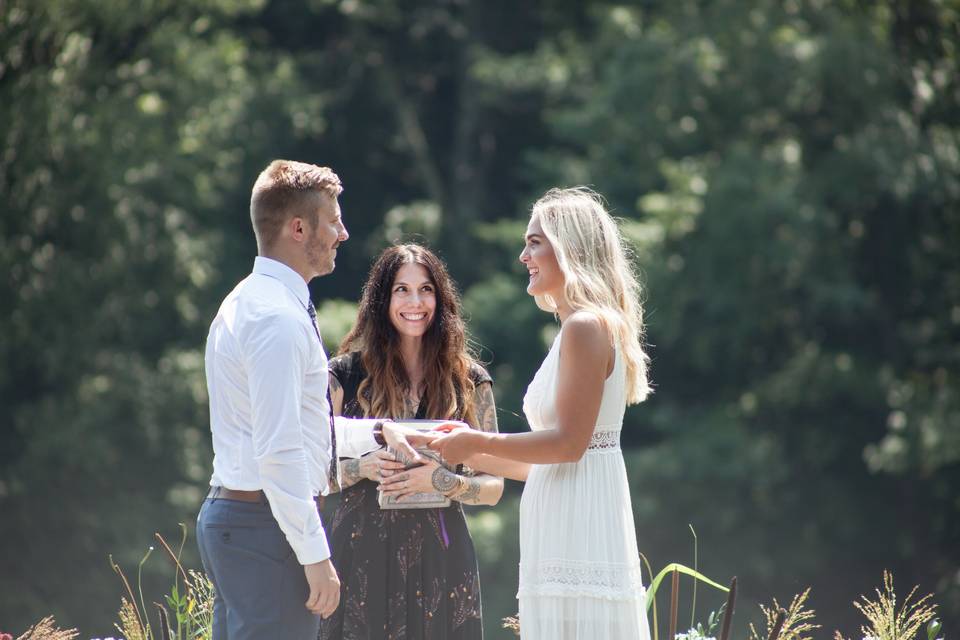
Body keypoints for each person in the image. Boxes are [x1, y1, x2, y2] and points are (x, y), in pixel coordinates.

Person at [196, 161, 442, 640]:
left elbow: (305, 426)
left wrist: (379, 430)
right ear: (298, 228)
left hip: (250, 523)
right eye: (334, 220)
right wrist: (315, 556)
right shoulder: (276, 320)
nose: (343, 234)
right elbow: (280, 451)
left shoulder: (255, 301)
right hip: (264, 529)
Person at [430, 187, 653, 639]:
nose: (522, 255)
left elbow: (569, 446)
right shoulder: (579, 327)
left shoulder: (587, 327)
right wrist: (458, 448)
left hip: (580, 527)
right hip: (563, 515)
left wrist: (478, 441)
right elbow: (546, 465)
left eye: (535, 242)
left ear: (568, 247)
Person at [320, 244, 504, 640]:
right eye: (401, 290)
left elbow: (494, 487)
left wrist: (442, 482)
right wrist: (361, 468)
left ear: (441, 298)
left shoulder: (470, 380)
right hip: (360, 553)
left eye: (426, 289)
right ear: (381, 300)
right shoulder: (343, 375)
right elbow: (313, 476)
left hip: (443, 557)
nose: (415, 302)